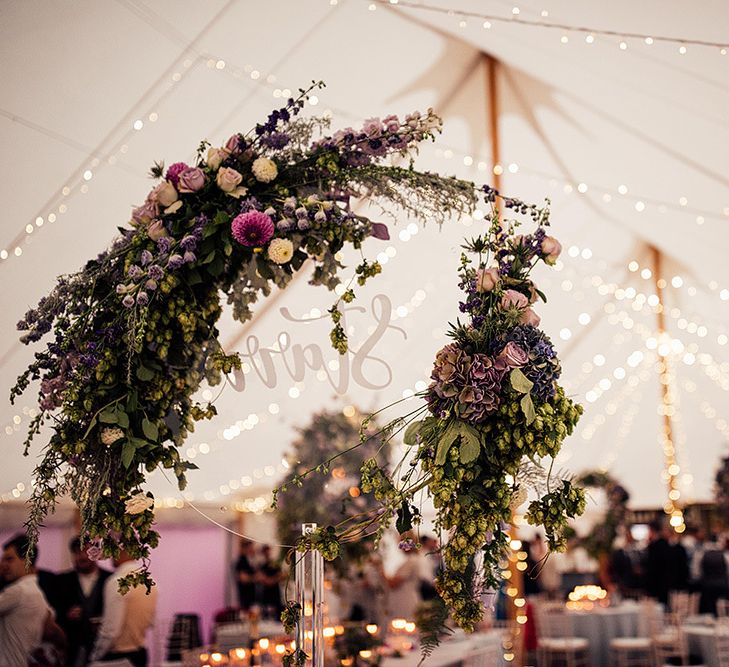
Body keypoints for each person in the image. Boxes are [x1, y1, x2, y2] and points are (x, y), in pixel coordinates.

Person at [90, 548, 157, 667]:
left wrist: (95, 656)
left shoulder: (117, 581)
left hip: (118, 658)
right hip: (140, 655)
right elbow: (151, 622)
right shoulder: (151, 582)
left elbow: (111, 630)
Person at [0, 534, 56, 667]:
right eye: (3, 560)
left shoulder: (19, 590)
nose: (3, 565)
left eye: (9, 559)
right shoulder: (35, 591)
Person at [56, 536, 112, 666]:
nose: (81, 556)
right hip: (70, 651)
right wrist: (66, 615)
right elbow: (53, 613)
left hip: (104, 650)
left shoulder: (110, 579)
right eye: (77, 552)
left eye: (86, 551)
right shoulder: (61, 580)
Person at [645, 519, 673, 605]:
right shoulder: (666, 544)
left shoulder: (653, 546)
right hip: (666, 582)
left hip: (656, 583)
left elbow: (651, 567)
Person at [258, 545, 283, 618]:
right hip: (265, 591)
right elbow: (260, 576)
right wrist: (268, 581)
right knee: (265, 612)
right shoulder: (261, 564)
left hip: (275, 591)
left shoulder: (275, 564)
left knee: (277, 611)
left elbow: (280, 575)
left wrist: (272, 580)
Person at [235, 539, 257, 610]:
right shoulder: (241, 561)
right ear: (245, 548)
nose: (253, 549)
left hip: (251, 596)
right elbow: (243, 579)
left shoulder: (250, 560)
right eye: (251, 547)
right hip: (245, 597)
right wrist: (257, 578)